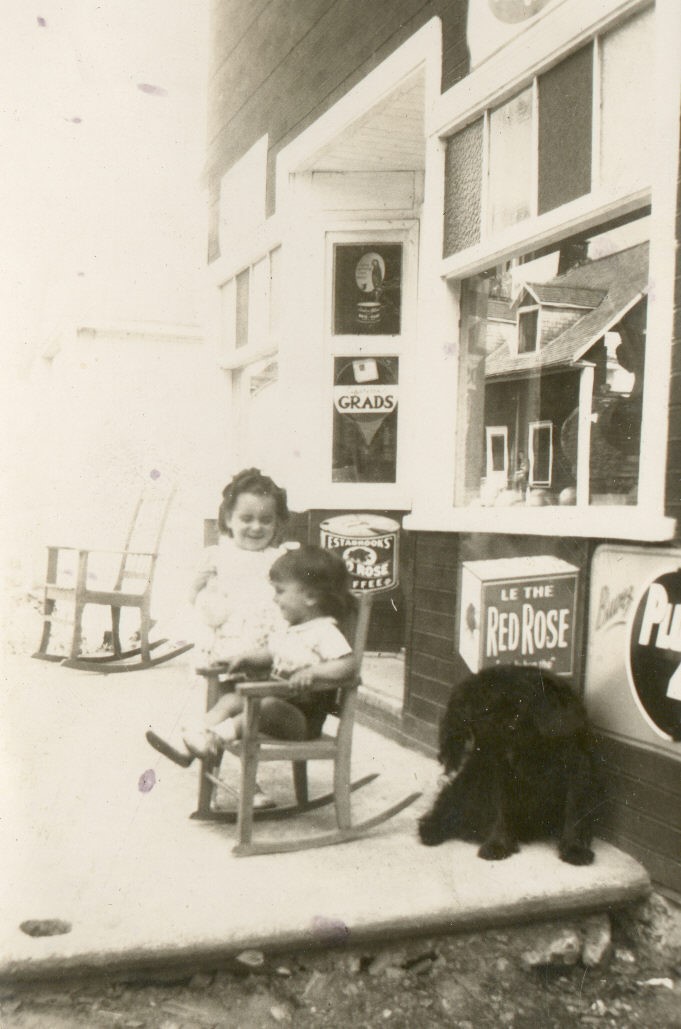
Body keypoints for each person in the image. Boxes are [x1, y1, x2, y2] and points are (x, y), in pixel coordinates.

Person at [151, 545, 357, 768]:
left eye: (280, 591)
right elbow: (270, 652)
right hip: (275, 704)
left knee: (265, 706)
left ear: (309, 597)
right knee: (231, 700)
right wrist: (243, 658)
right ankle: (191, 741)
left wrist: (313, 672)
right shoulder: (292, 629)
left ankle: (215, 739)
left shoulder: (324, 630)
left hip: (301, 720)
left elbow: (348, 665)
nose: (275, 600)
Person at [145, 467, 289, 774]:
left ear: (278, 523)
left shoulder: (280, 559)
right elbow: (194, 596)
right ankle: (213, 771)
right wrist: (207, 600)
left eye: (266, 520)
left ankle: (249, 784)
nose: (256, 527)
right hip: (227, 643)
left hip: (264, 647)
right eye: (246, 519)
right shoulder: (217, 557)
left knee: (247, 713)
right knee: (225, 708)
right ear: (227, 519)